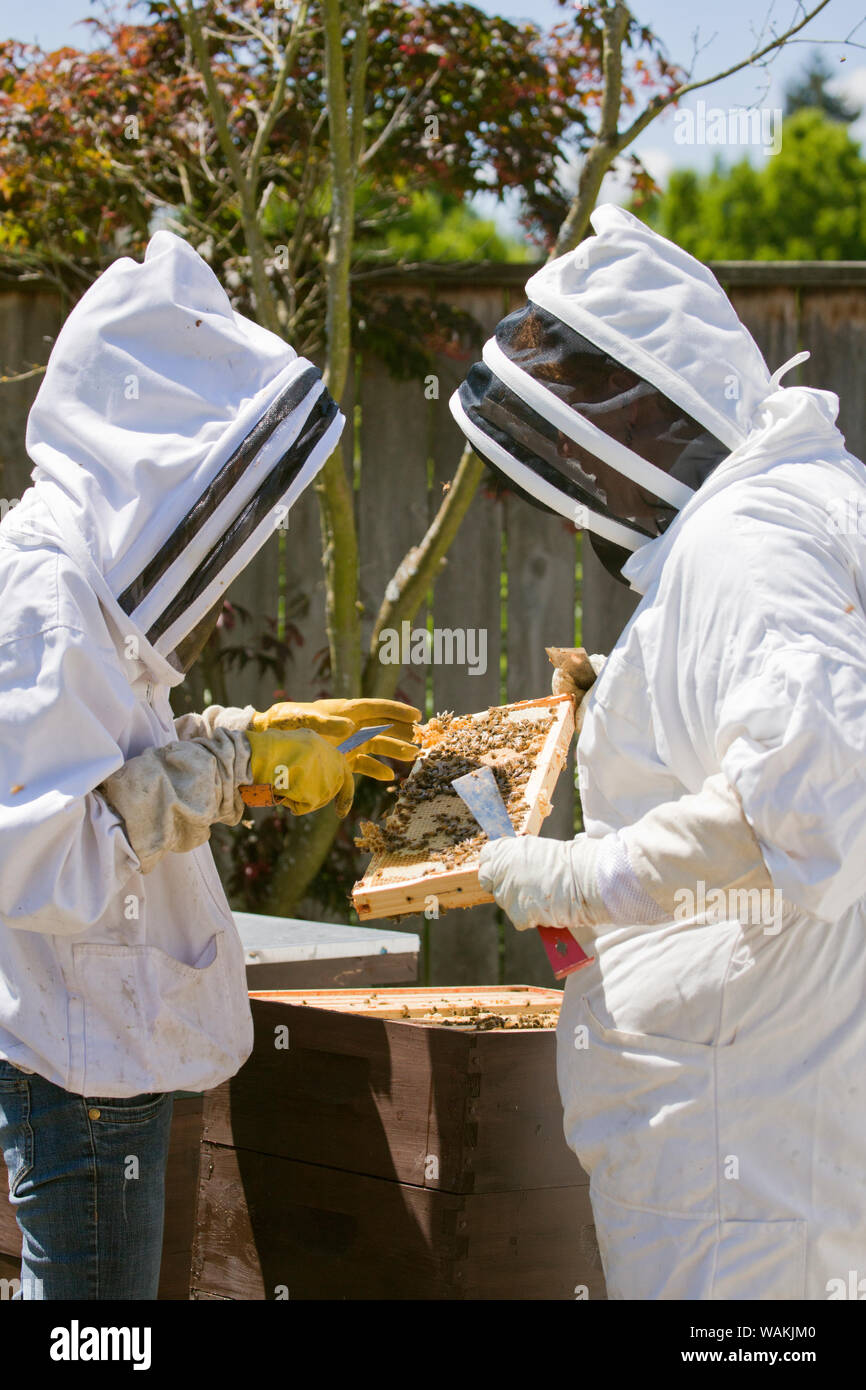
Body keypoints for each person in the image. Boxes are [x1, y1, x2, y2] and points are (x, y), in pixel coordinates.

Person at [449, 203, 866, 1300]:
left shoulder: (745, 541)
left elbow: (823, 790)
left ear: (637, 412)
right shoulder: (809, 505)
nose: (583, 502)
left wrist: (586, 873)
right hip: (767, 1107)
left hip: (743, 1147)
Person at [0, 231, 418, 1300]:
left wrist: (257, 746)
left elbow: (118, 762)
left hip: (99, 1043)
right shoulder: (48, 593)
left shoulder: (82, 579)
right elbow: (38, 856)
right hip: (76, 1060)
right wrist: (229, 776)